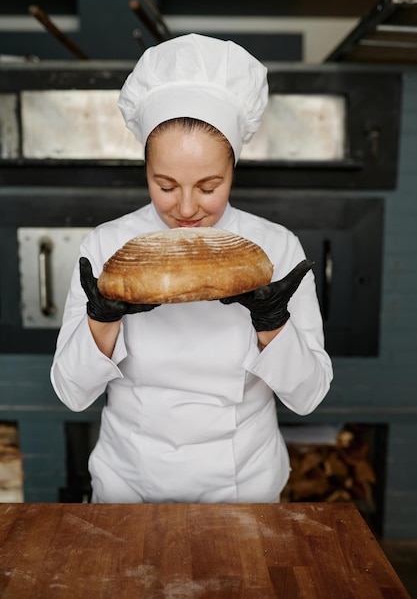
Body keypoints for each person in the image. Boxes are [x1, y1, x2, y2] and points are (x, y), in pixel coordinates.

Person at [51, 33, 333, 504]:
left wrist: (273, 324)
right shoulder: (108, 246)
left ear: (234, 169)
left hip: (244, 484)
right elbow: (71, 393)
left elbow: (308, 398)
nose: (185, 208)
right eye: (164, 185)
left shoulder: (275, 248)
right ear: (145, 170)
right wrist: (101, 320)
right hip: (129, 485)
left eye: (208, 186)